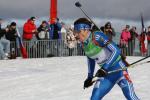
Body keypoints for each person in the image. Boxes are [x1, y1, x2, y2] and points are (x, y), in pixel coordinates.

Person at [73, 18, 139, 100]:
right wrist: (89, 77)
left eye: (78, 32)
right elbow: (90, 58)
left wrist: (104, 68)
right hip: (107, 74)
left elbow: (116, 50)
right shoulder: (83, 44)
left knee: (130, 96)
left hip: (119, 70)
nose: (76, 35)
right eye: (75, 32)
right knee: (94, 98)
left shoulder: (97, 36)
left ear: (86, 30)